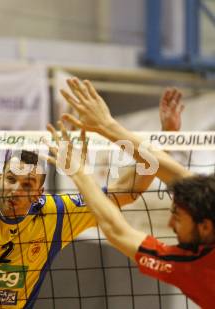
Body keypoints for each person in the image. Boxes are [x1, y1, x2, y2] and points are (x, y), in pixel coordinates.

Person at [0, 88, 184, 308]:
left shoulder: (55, 214)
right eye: (11, 179)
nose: (15, 189)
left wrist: (165, 140)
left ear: (38, 193)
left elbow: (126, 191)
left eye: (27, 184)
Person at [56, 78, 214, 309]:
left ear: (206, 227)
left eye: (178, 217)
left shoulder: (193, 268)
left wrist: (78, 171)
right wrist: (109, 126)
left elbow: (117, 227)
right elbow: (179, 178)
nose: (171, 224)